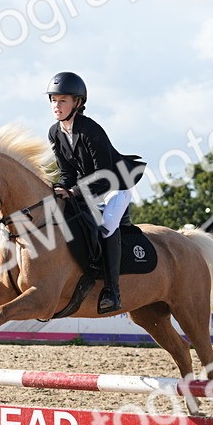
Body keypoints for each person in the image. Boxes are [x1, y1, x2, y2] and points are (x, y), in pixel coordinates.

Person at [44, 71, 146, 314]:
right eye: (53, 100)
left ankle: (113, 291)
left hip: (114, 186)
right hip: (85, 189)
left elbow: (104, 175)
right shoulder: (54, 132)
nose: (56, 106)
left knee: (107, 225)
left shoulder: (90, 130)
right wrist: (62, 188)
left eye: (63, 101)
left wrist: (74, 192)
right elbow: (66, 171)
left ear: (77, 103)